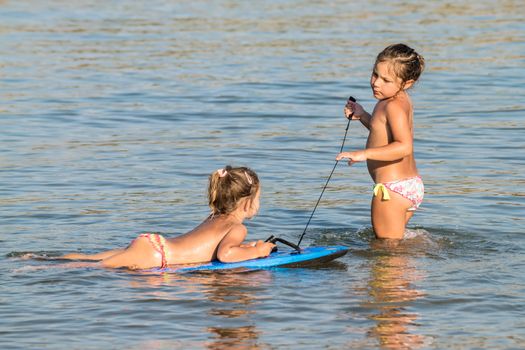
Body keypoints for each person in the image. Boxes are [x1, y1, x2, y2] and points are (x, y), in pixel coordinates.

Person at [60, 166, 275, 269]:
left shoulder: (214, 218)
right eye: (258, 197)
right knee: (93, 269)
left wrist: (246, 248)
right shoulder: (238, 228)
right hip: (158, 257)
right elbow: (226, 255)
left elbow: (212, 247)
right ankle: (37, 269)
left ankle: (42, 260)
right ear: (247, 201)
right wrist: (257, 250)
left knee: (91, 258)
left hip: (155, 245)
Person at [336, 43, 425, 239]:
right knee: (394, 245)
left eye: (386, 80)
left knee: (386, 251)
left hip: (391, 190)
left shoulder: (392, 106)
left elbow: (403, 146)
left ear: (407, 83)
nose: (376, 83)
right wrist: (363, 116)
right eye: (375, 74)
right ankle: (413, 263)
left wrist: (363, 154)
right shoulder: (396, 100)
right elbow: (382, 133)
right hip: (408, 185)